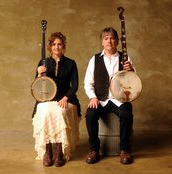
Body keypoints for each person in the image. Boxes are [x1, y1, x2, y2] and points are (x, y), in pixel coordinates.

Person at [84, 27, 134, 165]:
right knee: (90, 115)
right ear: (102, 42)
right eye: (106, 38)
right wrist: (92, 97)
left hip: (119, 100)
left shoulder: (125, 58)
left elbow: (133, 82)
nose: (109, 41)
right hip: (101, 99)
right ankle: (94, 150)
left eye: (112, 38)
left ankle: (124, 150)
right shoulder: (94, 60)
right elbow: (88, 82)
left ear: (117, 41)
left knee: (126, 113)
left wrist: (131, 71)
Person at [32, 32, 81, 167]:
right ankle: (48, 152)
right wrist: (39, 74)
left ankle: (60, 152)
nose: (57, 47)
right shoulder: (43, 62)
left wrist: (66, 98)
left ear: (63, 46)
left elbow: (75, 85)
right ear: (50, 46)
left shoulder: (71, 63)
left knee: (61, 112)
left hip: (67, 98)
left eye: (59, 44)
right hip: (47, 99)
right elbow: (36, 86)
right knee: (45, 111)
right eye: (54, 44)